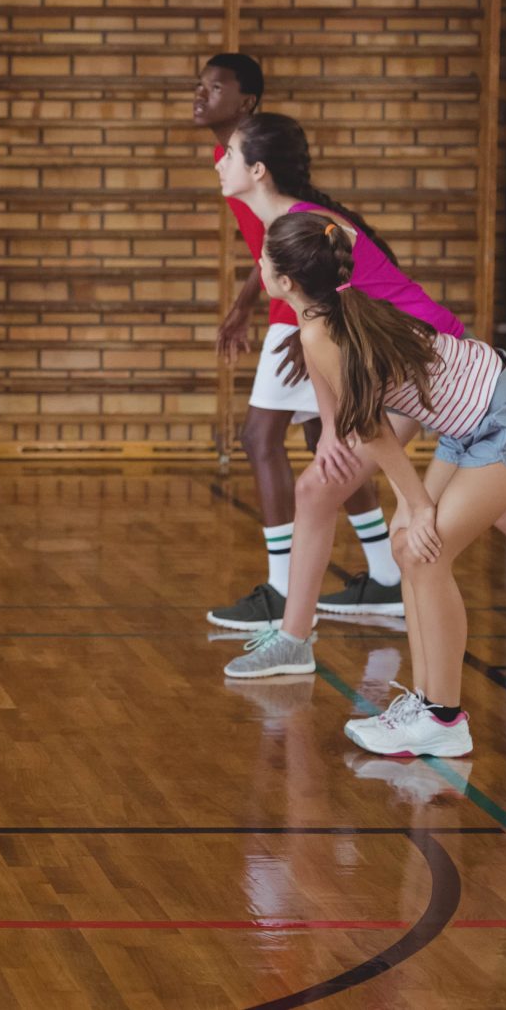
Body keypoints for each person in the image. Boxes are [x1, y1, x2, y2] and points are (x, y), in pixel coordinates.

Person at [214, 114, 506, 694]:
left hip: (428, 370)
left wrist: (404, 493)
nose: (218, 161)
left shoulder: (304, 231)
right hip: (416, 376)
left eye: (229, 153)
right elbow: (318, 352)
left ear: (257, 169)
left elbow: (348, 372)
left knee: (329, 492)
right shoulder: (287, 244)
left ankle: (298, 640)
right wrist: (334, 430)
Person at [252, 210, 506, 757]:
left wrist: (418, 503)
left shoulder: (327, 326)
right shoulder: (325, 316)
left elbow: (374, 428)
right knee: (408, 548)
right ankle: (426, 706)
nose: (256, 262)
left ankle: (444, 720)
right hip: (473, 425)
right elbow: (339, 395)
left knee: (426, 551)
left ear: (286, 283)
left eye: (263, 257)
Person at [194, 56, 403, 629]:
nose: (200, 96)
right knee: (323, 440)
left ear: (247, 105)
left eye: (215, 88)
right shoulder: (228, 160)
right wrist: (244, 306)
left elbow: (300, 242)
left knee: (260, 438)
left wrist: (307, 324)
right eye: (200, 86)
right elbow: (270, 246)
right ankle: (386, 577)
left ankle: (285, 591)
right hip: (299, 307)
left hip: (306, 309)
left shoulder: (250, 162)